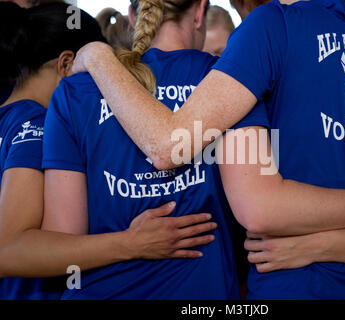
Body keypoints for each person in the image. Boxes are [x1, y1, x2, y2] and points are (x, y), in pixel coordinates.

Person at [72, 0, 345, 299]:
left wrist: (97, 55)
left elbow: (166, 146)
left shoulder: (269, 27)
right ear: (201, 11)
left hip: (294, 287)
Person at [42, 0, 260, 300]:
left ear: (134, 16)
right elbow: (256, 211)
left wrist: (124, 243)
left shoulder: (75, 92)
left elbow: (59, 247)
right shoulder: (230, 84)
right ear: (200, 12)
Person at [0, 2, 215, 300]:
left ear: (133, 15)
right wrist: (129, 242)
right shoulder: (36, 125)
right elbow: (10, 249)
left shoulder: (27, 114)